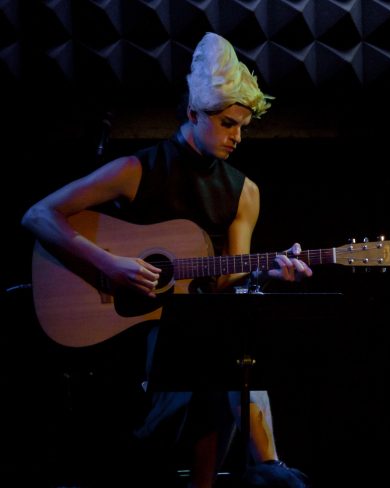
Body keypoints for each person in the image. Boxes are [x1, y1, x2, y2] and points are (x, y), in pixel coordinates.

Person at [22, 32, 312, 488]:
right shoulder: (137, 171)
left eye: (243, 126)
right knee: (208, 350)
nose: (237, 136)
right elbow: (39, 215)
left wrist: (267, 270)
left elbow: (225, 282)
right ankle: (266, 467)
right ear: (194, 114)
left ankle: (265, 467)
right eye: (227, 124)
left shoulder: (244, 191)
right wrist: (109, 264)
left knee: (225, 337)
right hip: (125, 339)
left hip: (193, 338)